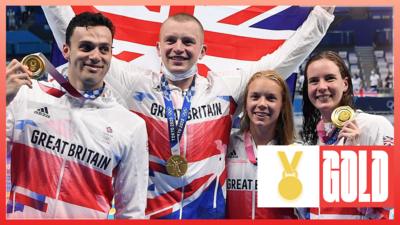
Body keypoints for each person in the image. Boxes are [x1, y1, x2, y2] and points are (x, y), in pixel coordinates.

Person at [42, 6, 334, 219]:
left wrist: (320, 17)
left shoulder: (223, 89)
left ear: (202, 50)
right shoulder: (136, 85)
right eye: (170, 41)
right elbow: (72, 32)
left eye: (187, 42)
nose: (178, 48)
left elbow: (282, 61)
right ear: (158, 48)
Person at [6, 12, 148, 219]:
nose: (96, 56)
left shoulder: (130, 126)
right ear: (66, 50)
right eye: (86, 47)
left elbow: (132, 212)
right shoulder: (26, 97)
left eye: (104, 49)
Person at [301, 51, 393, 219]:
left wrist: (358, 158)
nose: (321, 86)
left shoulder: (375, 126)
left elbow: (393, 196)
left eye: (329, 78)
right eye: (314, 81)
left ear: (345, 84)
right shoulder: (312, 140)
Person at [226, 70, 305, 219]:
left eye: (271, 98)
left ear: (282, 105)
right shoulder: (226, 146)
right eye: (255, 97)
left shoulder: (296, 154)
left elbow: (305, 214)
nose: (262, 104)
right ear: (246, 102)